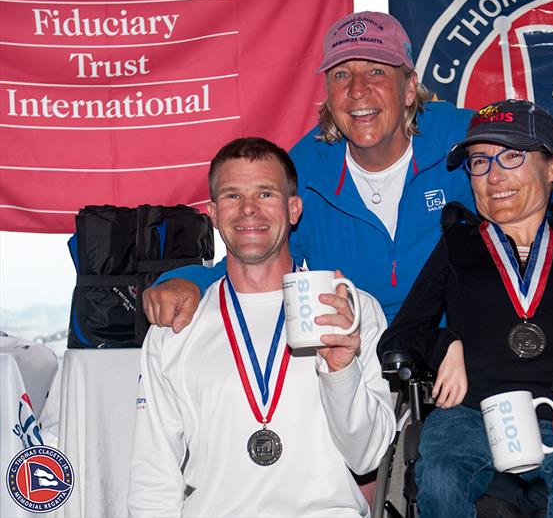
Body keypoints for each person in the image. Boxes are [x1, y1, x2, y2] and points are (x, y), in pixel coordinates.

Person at [142, 11, 553, 334]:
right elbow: (253, 254)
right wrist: (185, 281)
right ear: (327, 95)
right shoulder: (303, 168)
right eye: (341, 76)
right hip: (351, 356)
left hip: (462, 349)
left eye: (376, 73)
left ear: (410, 86)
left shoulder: (469, 139)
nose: (358, 91)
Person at [377, 99, 553, 517]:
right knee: (438, 475)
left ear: (552, 167)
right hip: (475, 416)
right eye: (479, 162)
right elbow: (398, 337)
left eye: (512, 157)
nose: (494, 176)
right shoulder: (459, 247)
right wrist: (445, 345)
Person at [127, 138, 394, 517]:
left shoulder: (349, 311)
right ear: (213, 213)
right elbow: (153, 473)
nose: (249, 209)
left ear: (294, 208)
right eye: (233, 196)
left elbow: (367, 456)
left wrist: (341, 372)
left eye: (265, 193)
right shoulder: (176, 326)